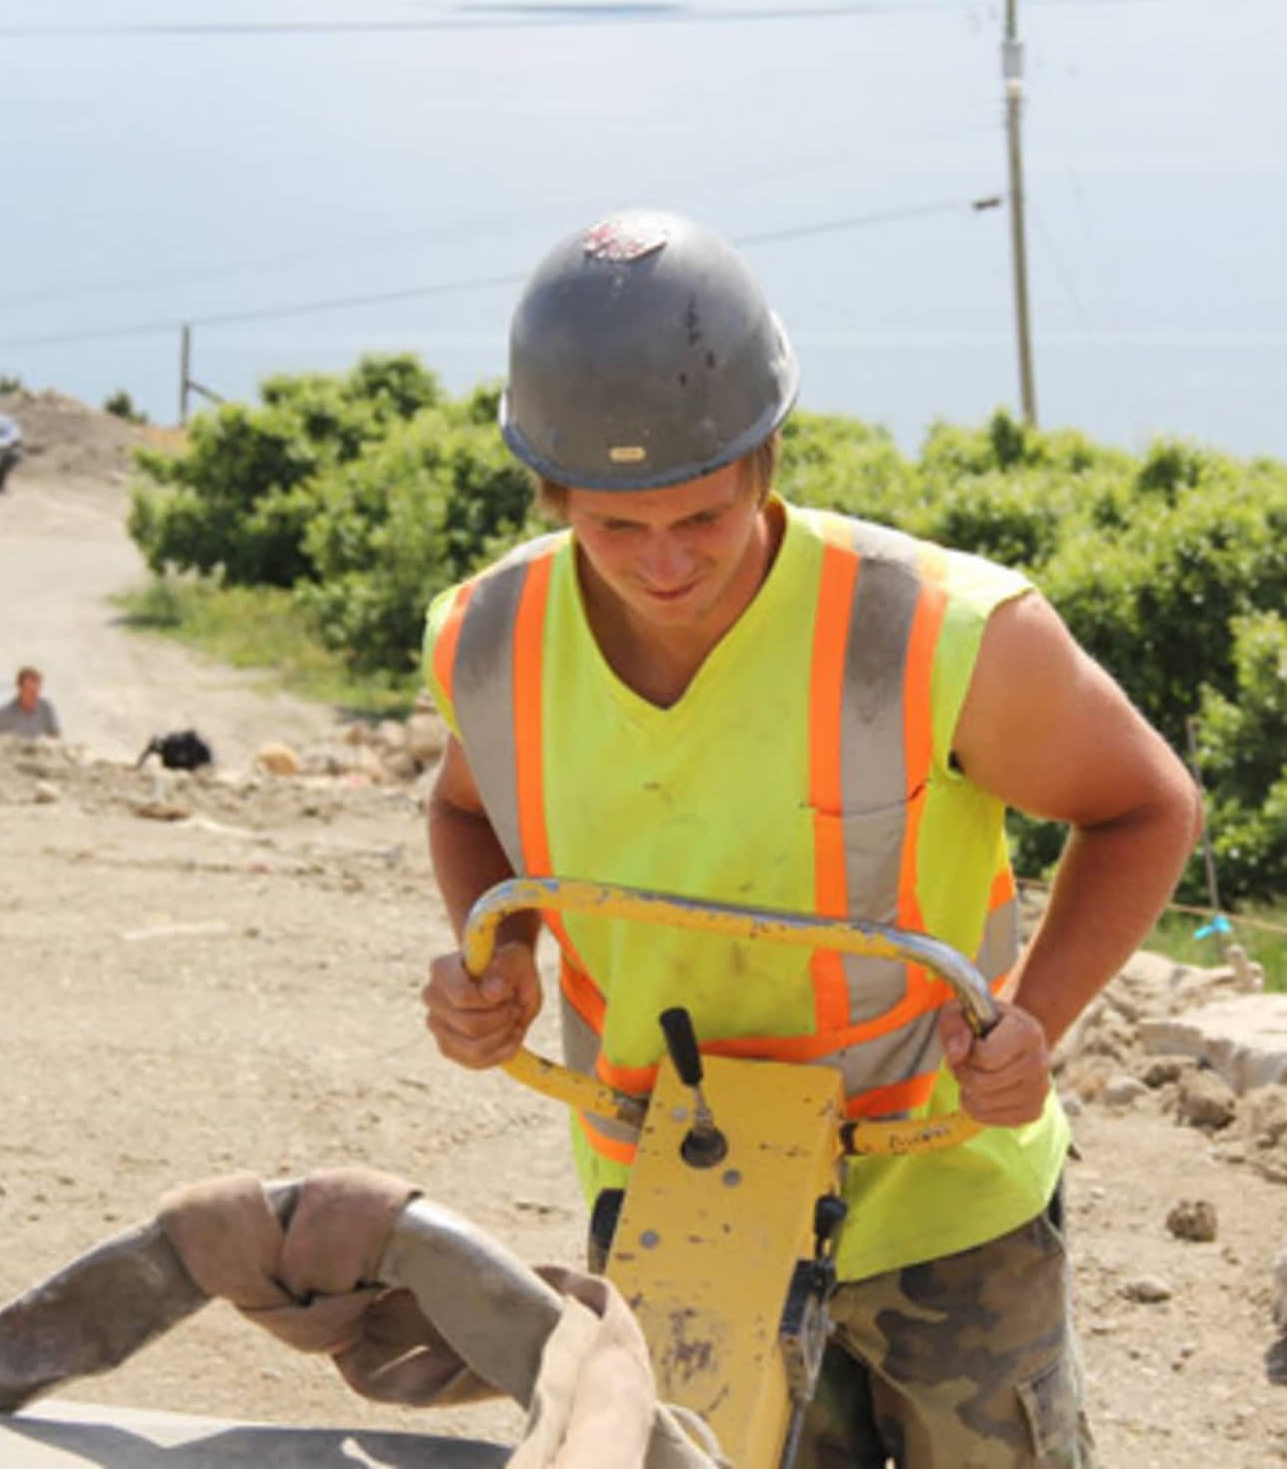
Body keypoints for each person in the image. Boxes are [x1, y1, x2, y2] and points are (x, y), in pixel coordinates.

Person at [419, 210, 1201, 1467]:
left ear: (764, 457)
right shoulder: (493, 638)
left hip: (940, 1197)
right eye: (615, 529)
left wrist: (1034, 1022)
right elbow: (467, 810)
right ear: (551, 487)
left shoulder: (932, 633)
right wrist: (492, 961)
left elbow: (1143, 804)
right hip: (673, 1196)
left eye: (701, 518)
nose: (663, 566)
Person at [0, 665, 61, 739]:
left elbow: (55, 735)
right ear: (19, 688)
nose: (33, 695)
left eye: (36, 691)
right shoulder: (2, 716)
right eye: (29, 690)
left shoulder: (45, 708)